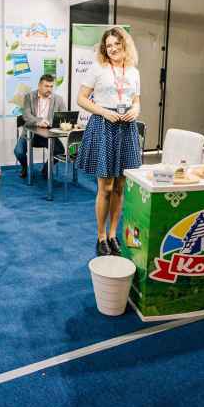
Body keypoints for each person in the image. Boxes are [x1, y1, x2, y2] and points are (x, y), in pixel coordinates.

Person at [76, 27, 142, 256]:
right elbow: (81, 99)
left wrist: (136, 109)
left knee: (120, 186)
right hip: (104, 126)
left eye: (116, 44)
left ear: (125, 44)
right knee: (105, 187)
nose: (112, 49)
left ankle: (113, 234)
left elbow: (136, 100)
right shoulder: (98, 68)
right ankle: (101, 236)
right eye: (108, 45)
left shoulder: (133, 72)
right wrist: (104, 112)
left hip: (126, 127)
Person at [14, 74, 66, 179]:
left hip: (47, 134)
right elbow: (26, 115)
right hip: (30, 133)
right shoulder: (29, 97)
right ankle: (24, 167)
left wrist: (54, 123)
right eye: (46, 86)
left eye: (51, 86)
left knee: (60, 151)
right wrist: (39, 121)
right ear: (39, 85)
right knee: (18, 152)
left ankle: (46, 169)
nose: (49, 89)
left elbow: (63, 116)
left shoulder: (58, 99)